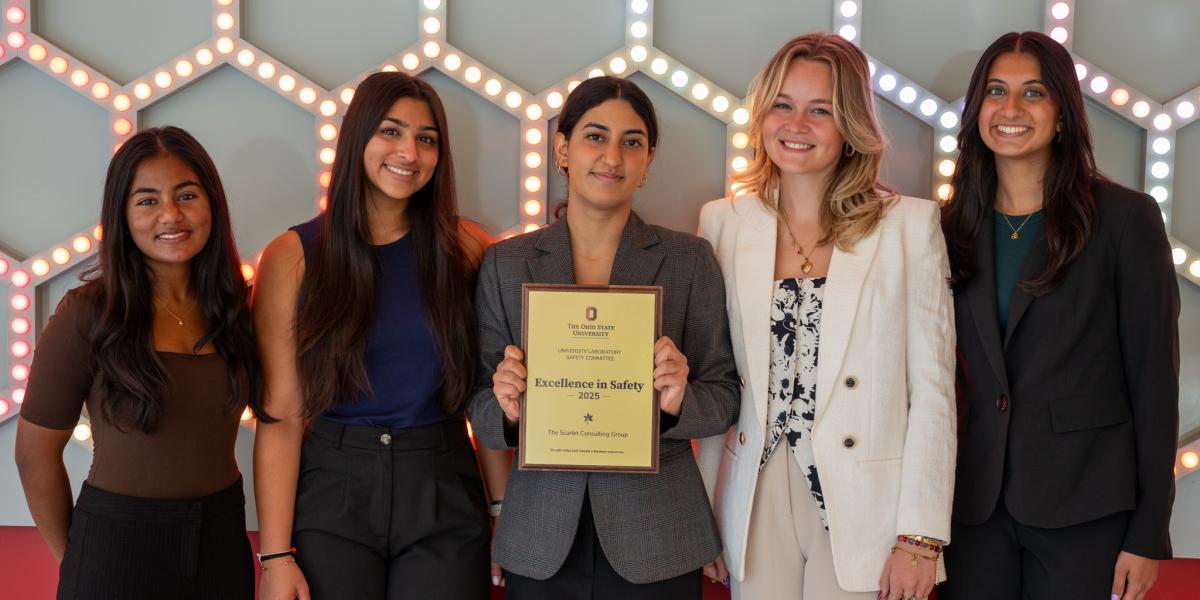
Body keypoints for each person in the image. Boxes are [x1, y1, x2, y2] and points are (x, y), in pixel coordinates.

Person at [696, 33, 957, 600]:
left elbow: (933, 392)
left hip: (868, 506)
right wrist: (704, 513)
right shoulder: (723, 222)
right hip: (753, 493)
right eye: (783, 105)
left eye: (821, 110)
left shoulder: (909, 226)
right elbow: (716, 378)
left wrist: (920, 538)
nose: (797, 125)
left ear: (851, 127)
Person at [467, 75, 740, 599]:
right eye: (595, 136)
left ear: (647, 160)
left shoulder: (689, 260)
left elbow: (725, 395)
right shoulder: (506, 263)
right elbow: (477, 401)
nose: (612, 156)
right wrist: (506, 408)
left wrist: (680, 400)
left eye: (631, 142)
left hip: (659, 534)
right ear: (562, 149)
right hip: (540, 535)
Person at [937, 31, 1179, 600]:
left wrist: (1148, 531)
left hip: (1086, 507)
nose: (1011, 109)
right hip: (970, 506)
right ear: (976, 110)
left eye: (1034, 93)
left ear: (1063, 112)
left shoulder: (1126, 219)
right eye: (996, 91)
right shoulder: (947, 227)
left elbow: (1154, 381)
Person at [252, 71, 507, 600]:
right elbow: (281, 416)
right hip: (333, 491)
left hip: (443, 484)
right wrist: (274, 557)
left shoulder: (468, 248)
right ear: (356, 138)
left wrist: (502, 508)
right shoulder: (292, 257)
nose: (409, 152)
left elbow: (487, 394)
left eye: (426, 138)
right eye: (390, 131)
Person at [15, 126, 261, 599]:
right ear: (122, 215)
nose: (171, 214)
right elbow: (33, 454)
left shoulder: (238, 310)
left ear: (212, 203)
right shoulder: (88, 312)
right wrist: (80, 559)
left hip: (222, 540)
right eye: (147, 200)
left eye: (186, 195)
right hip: (116, 545)